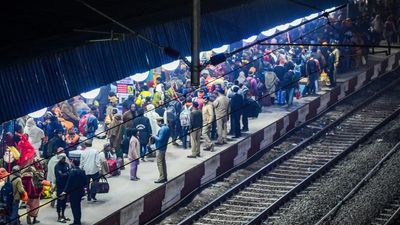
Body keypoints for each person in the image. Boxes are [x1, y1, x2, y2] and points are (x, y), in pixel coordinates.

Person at [61, 160, 87, 225]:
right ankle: (78, 221)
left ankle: (76, 222)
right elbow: (85, 182)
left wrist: (64, 191)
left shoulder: (72, 172)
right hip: (80, 192)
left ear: (73, 164)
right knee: (78, 206)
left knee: (74, 207)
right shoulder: (82, 171)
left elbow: (69, 183)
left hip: (73, 193)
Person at [153, 117, 170, 183]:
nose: (157, 123)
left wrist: (154, 136)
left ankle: (161, 177)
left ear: (160, 122)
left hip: (160, 147)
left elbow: (160, 139)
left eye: (157, 122)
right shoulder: (167, 128)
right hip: (164, 147)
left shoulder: (162, 129)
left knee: (159, 163)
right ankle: (165, 176)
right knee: (163, 162)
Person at [54, 153, 70, 223]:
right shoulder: (57, 166)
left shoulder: (66, 164)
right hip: (60, 186)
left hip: (65, 186)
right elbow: (61, 175)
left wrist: (66, 173)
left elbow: (69, 172)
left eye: (65, 158)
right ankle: (59, 216)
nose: (64, 159)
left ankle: (63, 215)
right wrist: (67, 173)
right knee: (60, 201)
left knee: (64, 201)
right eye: (63, 158)